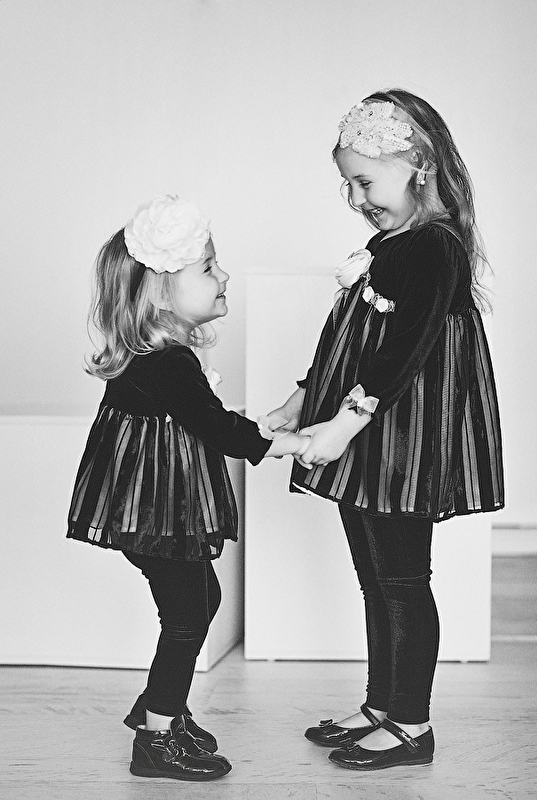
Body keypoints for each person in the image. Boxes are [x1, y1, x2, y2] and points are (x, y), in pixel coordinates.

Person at [268, 90, 504, 771]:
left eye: (365, 181)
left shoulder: (435, 248)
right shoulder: (393, 244)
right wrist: (301, 399)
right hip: (371, 433)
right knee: (376, 577)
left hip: (402, 438)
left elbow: (403, 349)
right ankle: (382, 704)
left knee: (402, 580)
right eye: (347, 184)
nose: (355, 197)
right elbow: (352, 342)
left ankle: (411, 723)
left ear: (418, 166)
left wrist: (343, 425)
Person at [67, 194, 309, 782]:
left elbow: (205, 420)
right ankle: (155, 737)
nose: (223, 275)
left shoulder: (159, 358)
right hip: (155, 513)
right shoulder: (167, 362)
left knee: (201, 602)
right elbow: (216, 428)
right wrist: (291, 442)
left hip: (155, 509)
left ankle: (162, 709)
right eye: (208, 267)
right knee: (186, 617)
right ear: (161, 291)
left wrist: (258, 427)